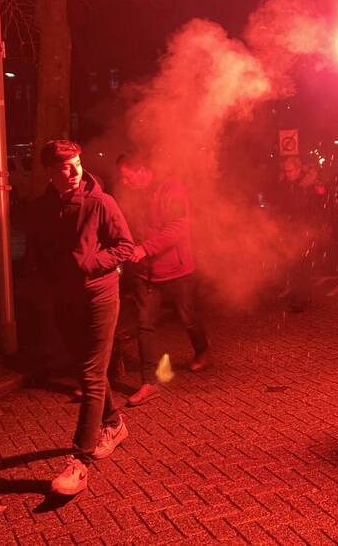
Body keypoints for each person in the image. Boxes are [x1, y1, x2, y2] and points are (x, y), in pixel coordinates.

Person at [27, 140, 134, 496]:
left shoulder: (100, 202)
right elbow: (36, 252)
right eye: (64, 167)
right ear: (49, 172)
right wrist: (45, 281)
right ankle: (114, 423)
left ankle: (80, 461)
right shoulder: (42, 208)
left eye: (76, 164)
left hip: (100, 297)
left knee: (90, 376)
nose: (73, 172)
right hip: (64, 300)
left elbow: (125, 247)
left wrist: (91, 264)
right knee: (88, 371)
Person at [115, 151, 208, 407]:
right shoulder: (132, 196)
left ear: (142, 171)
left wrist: (145, 248)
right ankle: (149, 382)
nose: (124, 183)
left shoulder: (172, 190)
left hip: (177, 269)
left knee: (187, 316)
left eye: (127, 177)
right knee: (145, 324)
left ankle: (201, 348)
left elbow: (178, 228)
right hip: (146, 273)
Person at [270, 156, 327, 312]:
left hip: (304, 230)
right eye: (286, 171)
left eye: (291, 171)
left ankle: (301, 299)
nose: (288, 174)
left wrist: (312, 228)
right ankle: (302, 296)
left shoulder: (307, 185)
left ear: (298, 169)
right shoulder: (286, 185)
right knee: (295, 265)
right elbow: (281, 206)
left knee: (301, 266)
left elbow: (317, 206)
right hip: (291, 230)